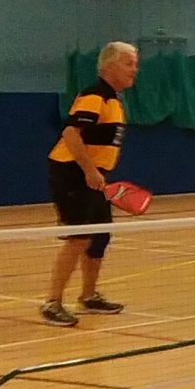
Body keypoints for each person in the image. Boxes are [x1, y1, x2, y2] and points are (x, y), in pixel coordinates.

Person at [43, 41, 138, 327]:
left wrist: (96, 173)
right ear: (110, 66)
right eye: (129, 63)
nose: (135, 70)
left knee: (100, 236)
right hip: (71, 172)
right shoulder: (95, 95)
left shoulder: (114, 100)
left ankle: (88, 296)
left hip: (91, 175)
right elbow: (71, 133)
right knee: (79, 238)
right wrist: (89, 170)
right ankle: (52, 303)